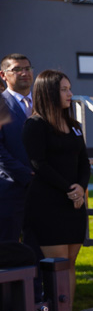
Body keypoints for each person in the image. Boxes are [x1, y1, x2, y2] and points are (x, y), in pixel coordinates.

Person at [23, 70, 90, 311]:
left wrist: (81, 188)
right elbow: (39, 164)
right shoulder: (35, 125)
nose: (69, 94)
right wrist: (68, 189)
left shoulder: (74, 124)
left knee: (71, 264)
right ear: (49, 92)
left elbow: (84, 161)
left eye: (69, 88)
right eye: (64, 89)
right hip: (49, 204)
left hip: (74, 204)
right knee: (57, 267)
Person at [0, 54, 35, 243]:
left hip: (44, 190)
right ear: (3, 75)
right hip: (11, 190)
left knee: (42, 251)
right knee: (10, 252)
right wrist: (26, 176)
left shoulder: (43, 103)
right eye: (17, 69)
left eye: (28, 68)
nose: (24, 73)